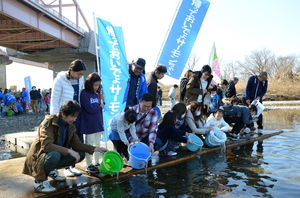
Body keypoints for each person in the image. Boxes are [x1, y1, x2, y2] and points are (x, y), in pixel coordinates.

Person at [22, 100, 108, 193]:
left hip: (51, 155)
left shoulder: (70, 125)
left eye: (76, 116)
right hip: (38, 158)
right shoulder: (49, 123)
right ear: (63, 114)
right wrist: (69, 151)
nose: (74, 119)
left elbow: (77, 144)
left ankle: (51, 170)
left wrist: (95, 149)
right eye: (72, 116)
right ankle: (39, 182)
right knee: (55, 155)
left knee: (81, 154)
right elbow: (47, 146)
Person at [50, 59, 86, 177]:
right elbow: (54, 99)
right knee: (64, 141)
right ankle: (64, 167)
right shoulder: (60, 80)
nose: (80, 76)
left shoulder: (80, 79)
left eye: (82, 74)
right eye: (78, 73)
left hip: (76, 115)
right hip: (64, 116)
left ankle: (72, 165)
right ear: (71, 71)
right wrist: (54, 117)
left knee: (76, 140)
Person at [79, 73, 104, 174]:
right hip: (88, 123)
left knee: (97, 143)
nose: (96, 87)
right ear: (89, 84)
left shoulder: (96, 94)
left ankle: (96, 161)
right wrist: (100, 106)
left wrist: (101, 103)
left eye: (98, 85)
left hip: (97, 123)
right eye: (95, 85)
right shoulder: (84, 93)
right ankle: (89, 164)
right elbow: (89, 108)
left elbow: (98, 108)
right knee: (89, 144)